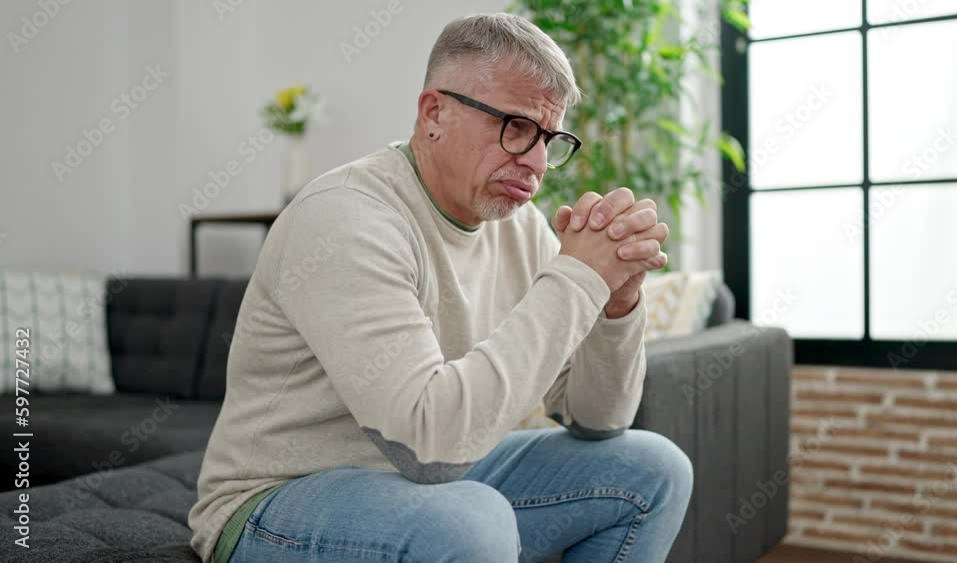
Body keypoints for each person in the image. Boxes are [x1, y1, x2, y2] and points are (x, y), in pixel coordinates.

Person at [189, 12, 692, 563]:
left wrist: (616, 304)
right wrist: (576, 279)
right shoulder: (345, 219)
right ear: (434, 113)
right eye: (517, 127)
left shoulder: (520, 228)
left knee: (653, 470)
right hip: (277, 500)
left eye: (551, 138)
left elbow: (599, 419)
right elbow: (427, 450)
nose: (538, 163)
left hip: (429, 485)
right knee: (469, 523)